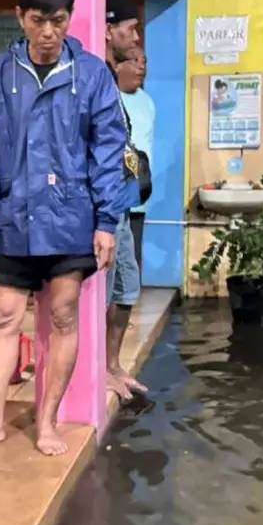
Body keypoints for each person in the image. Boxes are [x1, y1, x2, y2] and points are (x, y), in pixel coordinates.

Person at [0, 0, 128, 456]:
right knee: (4, 316)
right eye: (38, 21)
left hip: (72, 217)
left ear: (69, 20)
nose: (48, 33)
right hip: (16, 217)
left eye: (58, 21)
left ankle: (47, 423)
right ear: (19, 17)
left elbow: (108, 148)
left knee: (64, 315)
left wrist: (106, 220)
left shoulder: (92, 75)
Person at [105, 47, 155, 402]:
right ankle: (97, 369)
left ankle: (111, 364)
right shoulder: (98, 80)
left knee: (127, 289)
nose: (141, 62)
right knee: (103, 293)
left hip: (124, 202)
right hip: (106, 209)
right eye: (129, 28)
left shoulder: (138, 100)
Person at [119, 46, 154, 267]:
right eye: (134, 61)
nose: (141, 66)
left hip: (139, 192)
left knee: (133, 260)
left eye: (144, 61)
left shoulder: (147, 101)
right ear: (118, 66)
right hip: (116, 192)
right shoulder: (110, 98)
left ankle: (130, 301)